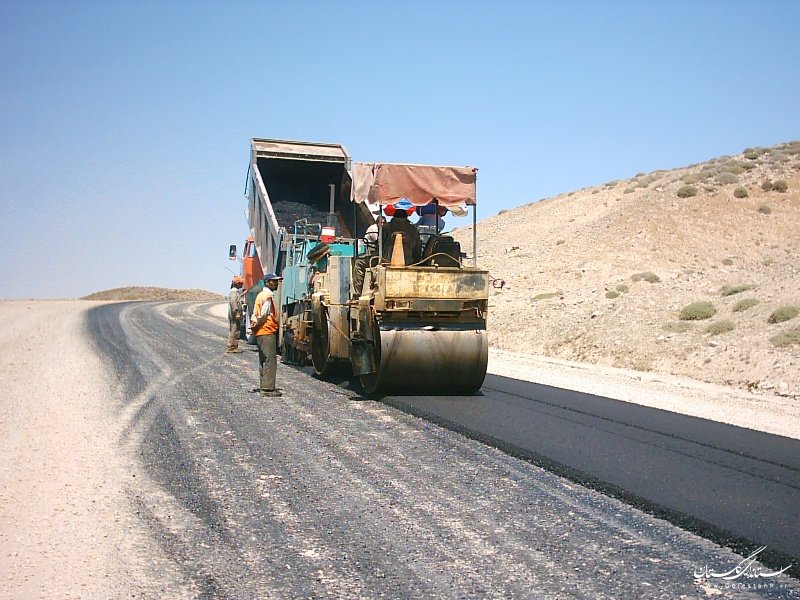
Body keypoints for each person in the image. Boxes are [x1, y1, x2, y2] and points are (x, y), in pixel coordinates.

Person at [251, 272, 283, 397]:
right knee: (270, 360)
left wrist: (255, 326)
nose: (276, 283)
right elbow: (263, 314)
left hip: (261, 332)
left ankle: (264, 385)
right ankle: (268, 389)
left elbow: (255, 313)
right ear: (267, 282)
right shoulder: (268, 296)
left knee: (263, 360)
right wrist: (258, 324)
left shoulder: (260, 295)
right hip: (267, 331)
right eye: (274, 281)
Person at [353, 216, 386, 296]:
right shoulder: (373, 229)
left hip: (381, 256)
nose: (382, 224)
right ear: (377, 223)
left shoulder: (384, 230)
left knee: (359, 263)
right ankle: (359, 291)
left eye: (384, 223)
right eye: (381, 223)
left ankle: (358, 293)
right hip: (374, 251)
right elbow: (377, 241)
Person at [226, 276, 244, 353]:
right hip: (234, 314)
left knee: (233, 329)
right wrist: (237, 312)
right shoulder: (234, 292)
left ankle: (232, 346)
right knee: (235, 329)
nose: (242, 284)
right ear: (237, 284)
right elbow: (233, 302)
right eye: (240, 283)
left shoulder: (234, 291)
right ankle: (232, 347)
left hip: (233, 314)